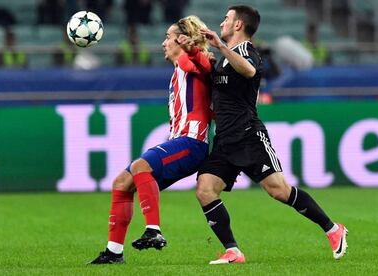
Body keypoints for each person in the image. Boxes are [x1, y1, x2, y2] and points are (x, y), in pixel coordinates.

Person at [197, 5, 348, 264]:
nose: (222, 22)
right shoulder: (223, 56)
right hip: (224, 139)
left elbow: (249, 71)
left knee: (278, 190)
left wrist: (219, 48)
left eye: (227, 18)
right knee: (205, 189)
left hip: (248, 135)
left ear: (238, 25)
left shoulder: (247, 50)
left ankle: (333, 229)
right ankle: (233, 250)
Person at [90, 15, 213, 264]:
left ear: (183, 39)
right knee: (121, 182)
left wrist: (194, 51)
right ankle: (114, 252)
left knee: (139, 166)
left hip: (192, 142)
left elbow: (205, 66)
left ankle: (154, 231)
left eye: (168, 37)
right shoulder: (180, 68)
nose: (163, 43)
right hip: (180, 140)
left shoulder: (189, 61)